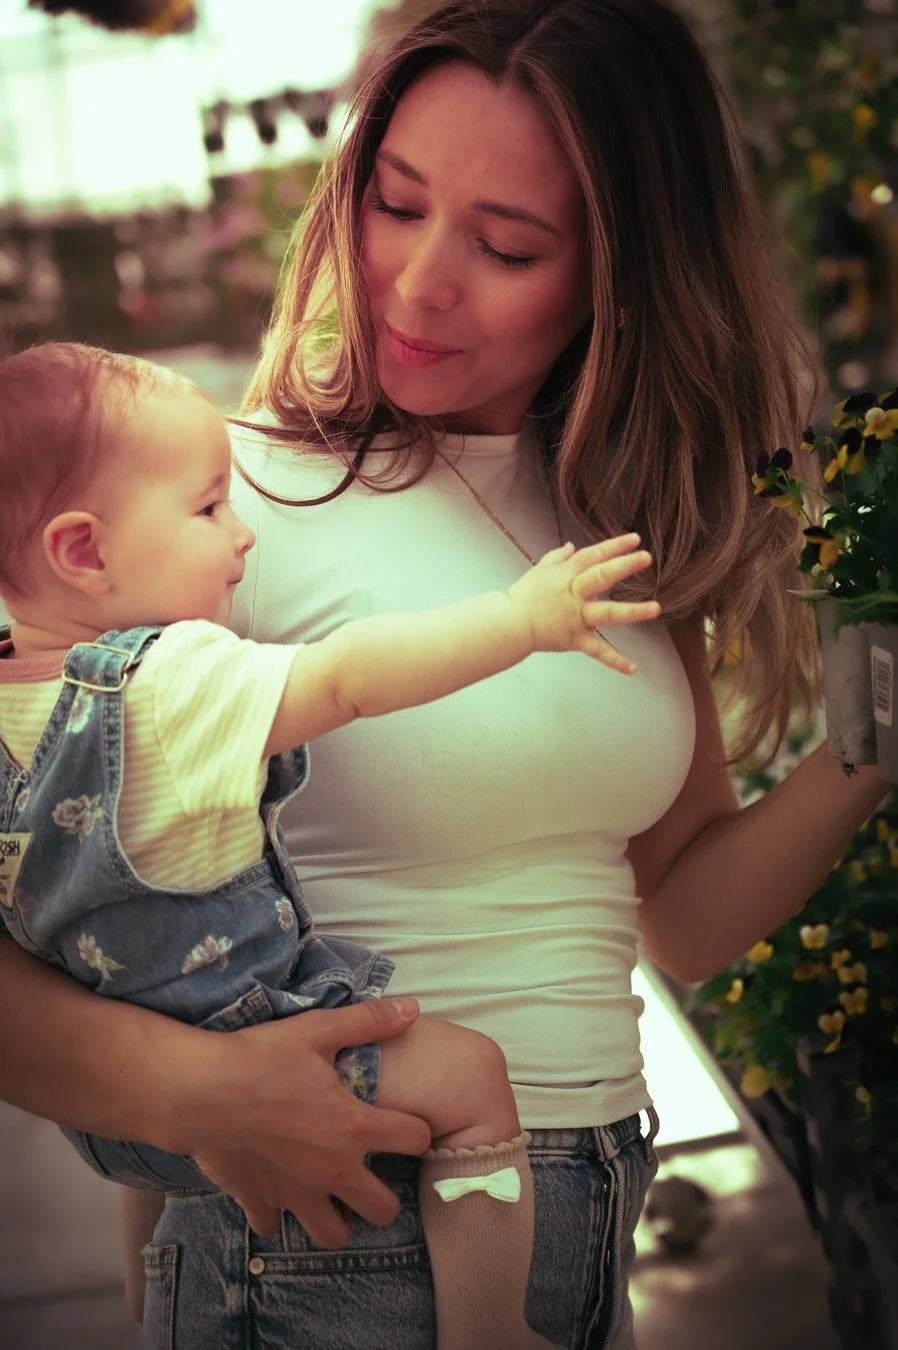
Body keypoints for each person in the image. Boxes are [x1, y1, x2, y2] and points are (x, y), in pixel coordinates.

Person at [0, 1, 892, 1346]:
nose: (419, 282)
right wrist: (191, 1096)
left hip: (579, 1208)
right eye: (395, 203)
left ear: (618, 269)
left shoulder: (624, 526)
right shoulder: (211, 511)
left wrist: (862, 752)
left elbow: (681, 916)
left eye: (505, 243)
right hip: (334, 1224)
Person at [0, 339, 659, 1350]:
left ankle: (155, 1299)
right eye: (210, 507)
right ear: (83, 552)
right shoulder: (167, 683)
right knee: (471, 1077)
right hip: (271, 1067)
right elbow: (350, 678)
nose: (243, 536)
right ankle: (494, 1332)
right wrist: (520, 620)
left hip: (121, 1123)